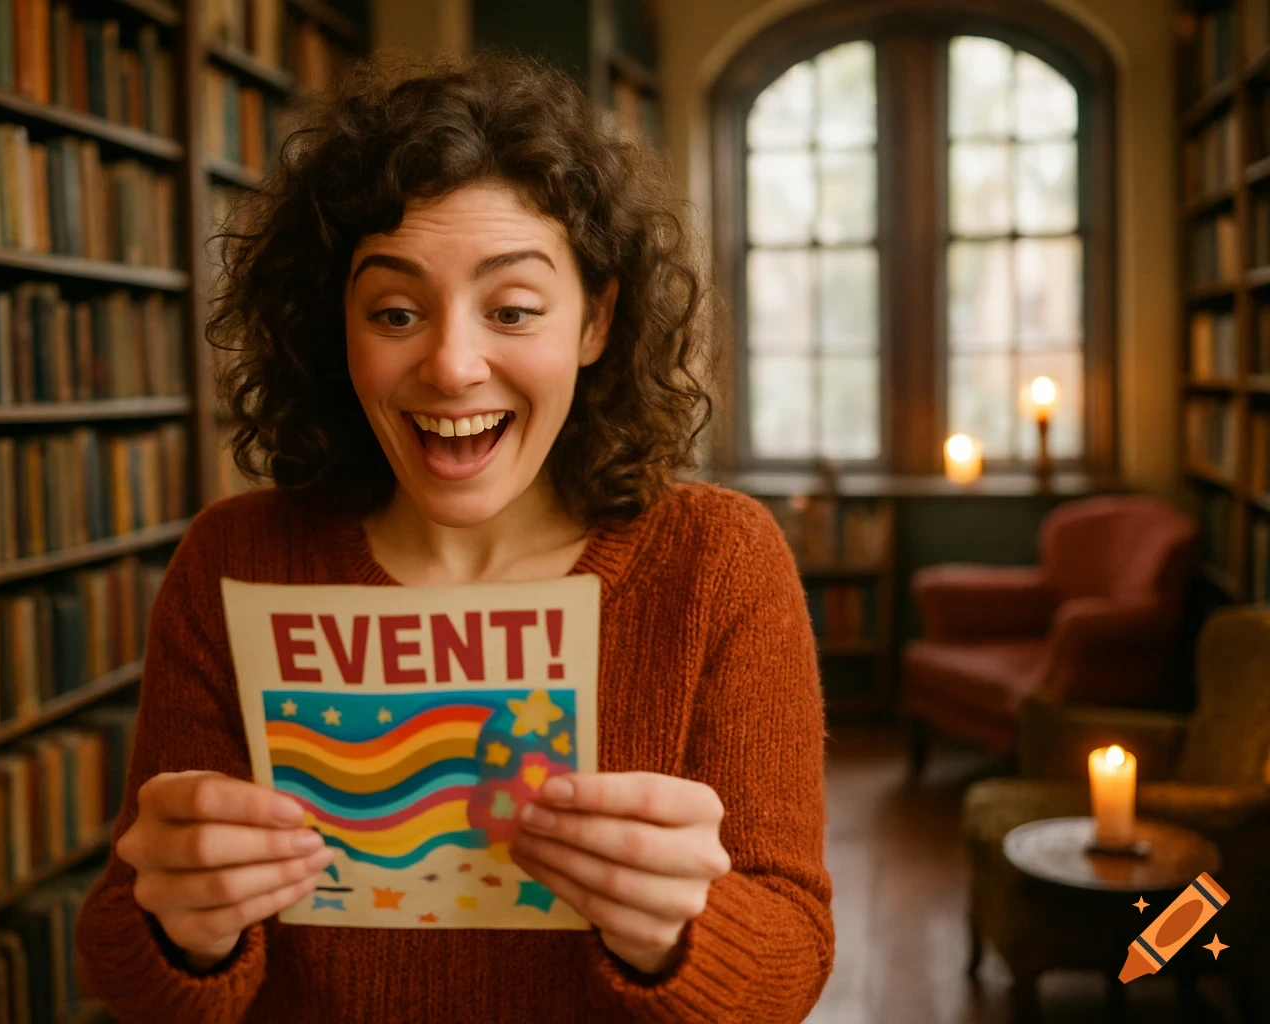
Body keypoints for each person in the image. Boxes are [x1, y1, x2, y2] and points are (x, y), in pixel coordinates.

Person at [75, 53, 833, 1023]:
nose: (452, 364)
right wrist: (180, 927)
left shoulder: (719, 562)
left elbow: (792, 960)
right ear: (334, 328)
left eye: (513, 309)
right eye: (394, 312)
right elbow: (118, 958)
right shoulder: (234, 561)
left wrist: (677, 930)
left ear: (596, 321)